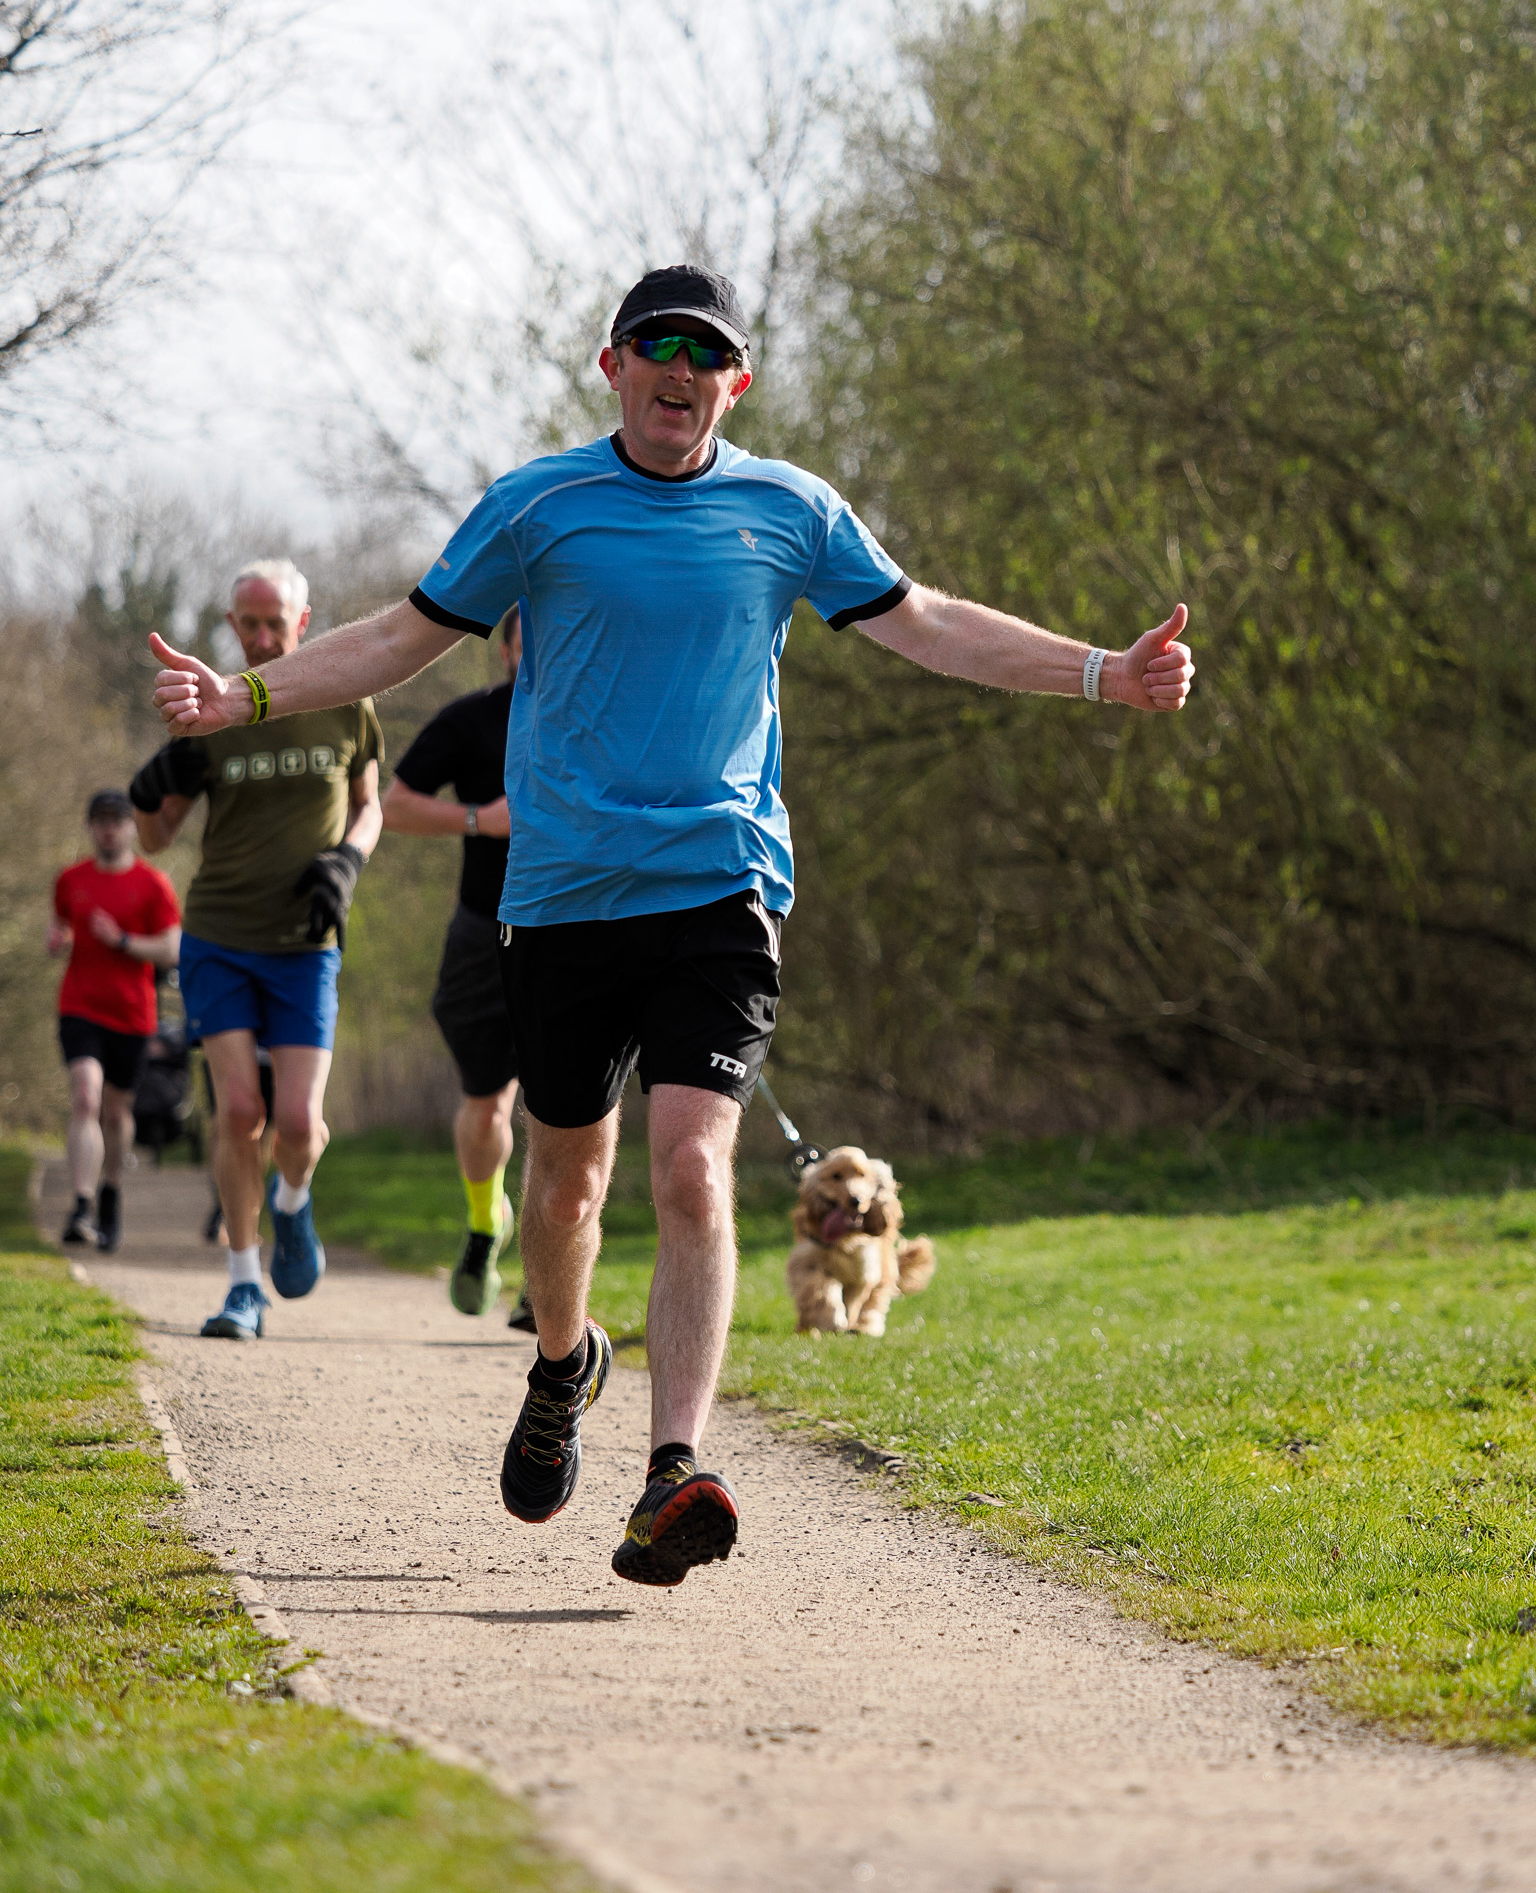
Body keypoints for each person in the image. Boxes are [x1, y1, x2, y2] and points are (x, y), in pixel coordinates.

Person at [145, 264, 1195, 1585]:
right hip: (565, 899)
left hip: (722, 890)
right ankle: (560, 1362)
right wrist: (244, 700)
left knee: (693, 1167)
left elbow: (926, 626)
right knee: (566, 1181)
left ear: (735, 382)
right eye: (660, 348)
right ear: (615, 367)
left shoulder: (789, 509)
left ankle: (673, 1468)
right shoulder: (541, 505)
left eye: (708, 354)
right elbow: (396, 641)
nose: (681, 372)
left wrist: (1104, 672)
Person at [132, 559, 382, 1340]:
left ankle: (293, 1202)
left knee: (300, 1126)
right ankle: (243, 1283)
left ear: (304, 622)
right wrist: (154, 786)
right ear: (233, 625)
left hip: (306, 942)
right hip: (218, 936)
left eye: (278, 621)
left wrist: (347, 861)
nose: (264, 635)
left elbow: (371, 807)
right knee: (238, 1110)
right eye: (250, 622)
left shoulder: (347, 703)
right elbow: (156, 834)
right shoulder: (212, 711)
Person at [380, 607, 535, 1327]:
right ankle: (485, 1225)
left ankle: (549, 1276)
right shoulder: (471, 721)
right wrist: (479, 820)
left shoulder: (613, 720)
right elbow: (395, 805)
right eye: (532, 634)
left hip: (585, 931)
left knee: (573, 1108)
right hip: (485, 933)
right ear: (506, 648)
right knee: (487, 1108)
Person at [49, 788, 182, 1250]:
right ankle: (81, 1206)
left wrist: (123, 941)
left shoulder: (153, 884)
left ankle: (111, 1192)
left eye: (117, 820)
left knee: (116, 1111)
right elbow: (63, 920)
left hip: (132, 1012)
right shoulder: (70, 879)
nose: (109, 828)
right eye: (101, 820)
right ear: (90, 826)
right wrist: (59, 936)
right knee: (86, 1095)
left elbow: (171, 948)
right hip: (80, 1005)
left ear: (131, 827)